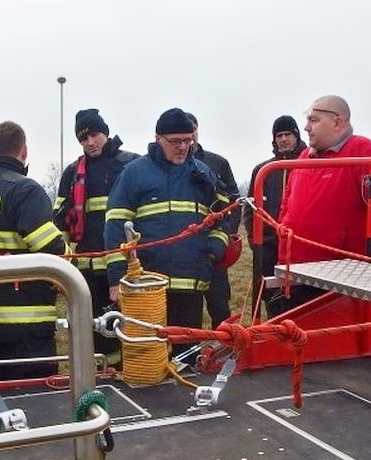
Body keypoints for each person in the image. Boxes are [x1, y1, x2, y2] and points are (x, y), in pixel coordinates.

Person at [105, 108, 229, 354]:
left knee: (186, 360)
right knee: (148, 358)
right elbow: (115, 225)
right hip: (147, 289)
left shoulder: (204, 175)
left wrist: (214, 251)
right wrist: (116, 279)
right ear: (157, 138)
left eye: (187, 140)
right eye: (175, 142)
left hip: (191, 284)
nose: (183, 147)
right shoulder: (134, 173)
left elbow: (224, 218)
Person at [0, 121, 66, 381]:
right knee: (36, 402)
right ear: (24, 151)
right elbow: (52, 249)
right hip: (27, 323)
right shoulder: (26, 190)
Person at [277, 95, 371, 310]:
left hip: (339, 279)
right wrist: (282, 244)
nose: (306, 127)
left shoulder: (362, 151)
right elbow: (288, 203)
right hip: (297, 272)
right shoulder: (305, 156)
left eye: (314, 120)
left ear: (337, 122)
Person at [54, 109, 139, 365]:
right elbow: (61, 220)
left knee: (133, 326)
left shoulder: (131, 164)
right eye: (83, 138)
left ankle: (136, 370)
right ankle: (107, 375)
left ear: (106, 132)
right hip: (88, 269)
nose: (90, 143)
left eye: (94, 135)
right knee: (98, 330)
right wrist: (62, 265)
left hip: (126, 266)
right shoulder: (72, 173)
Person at [247, 115, 307, 317]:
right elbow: (251, 209)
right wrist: (254, 240)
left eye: (287, 134)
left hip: (298, 245)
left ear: (296, 136)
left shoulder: (308, 165)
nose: (283, 139)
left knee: (299, 297)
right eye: (279, 135)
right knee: (270, 297)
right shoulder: (263, 170)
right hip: (268, 247)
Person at [186, 112, 239, 327]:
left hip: (215, 249)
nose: (189, 136)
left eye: (192, 129)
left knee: (219, 307)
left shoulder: (218, 163)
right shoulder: (169, 166)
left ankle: (225, 352)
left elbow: (234, 203)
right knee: (188, 312)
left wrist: (226, 235)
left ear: (197, 130)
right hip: (186, 253)